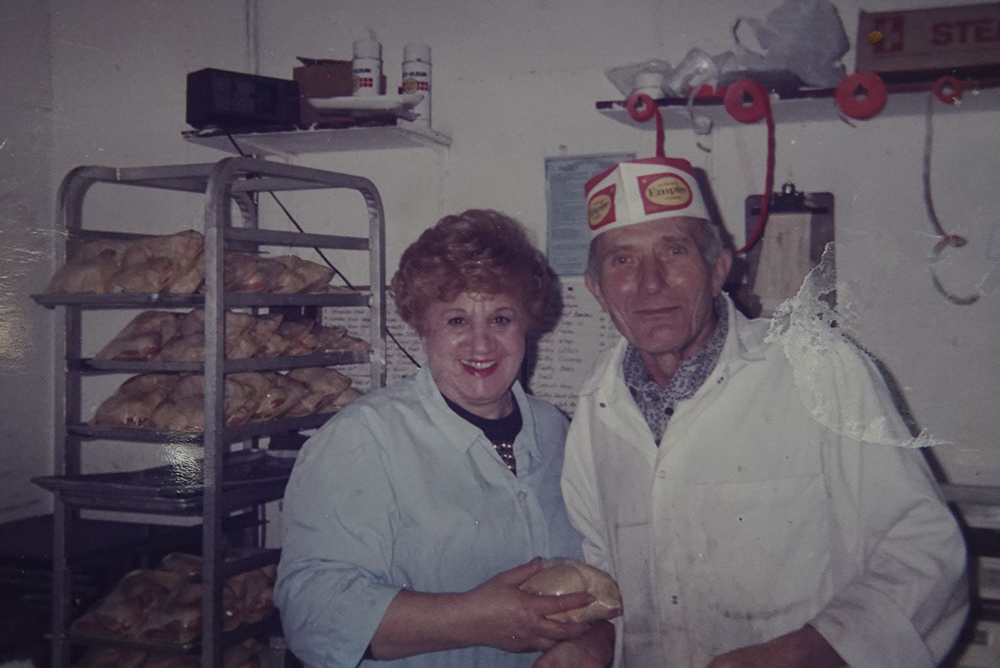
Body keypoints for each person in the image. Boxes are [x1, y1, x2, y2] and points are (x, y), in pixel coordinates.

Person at [560, 156, 969, 668]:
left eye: (674, 250)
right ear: (596, 289)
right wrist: (591, 643)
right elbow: (605, 573)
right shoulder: (596, 402)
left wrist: (803, 653)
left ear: (719, 270)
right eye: (622, 260)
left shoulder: (817, 368)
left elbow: (924, 551)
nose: (650, 282)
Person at [276, 209, 615, 668]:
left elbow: (597, 573)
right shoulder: (364, 438)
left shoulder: (554, 429)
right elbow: (310, 614)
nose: (481, 344)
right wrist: (470, 620)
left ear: (526, 325)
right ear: (423, 328)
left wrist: (591, 641)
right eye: (457, 321)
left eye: (500, 319)